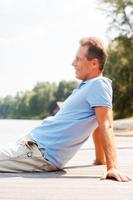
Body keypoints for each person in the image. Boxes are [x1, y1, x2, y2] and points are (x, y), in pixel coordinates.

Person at [0, 37, 131, 182]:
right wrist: (100, 159)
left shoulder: (99, 84)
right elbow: (97, 124)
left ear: (94, 63)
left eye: (78, 59)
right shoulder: (89, 86)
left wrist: (112, 167)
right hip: (30, 148)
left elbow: (106, 124)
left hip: (38, 153)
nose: (73, 63)